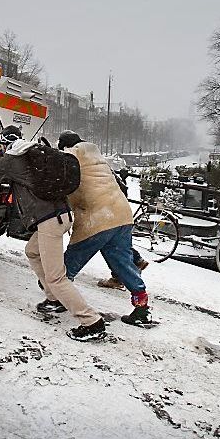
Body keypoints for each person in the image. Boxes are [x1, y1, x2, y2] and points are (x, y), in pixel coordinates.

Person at [0, 125, 107, 342]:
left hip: (50, 220)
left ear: (5, 143)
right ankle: (54, 299)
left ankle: (91, 322)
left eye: (1, 145)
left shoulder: (14, 158)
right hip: (60, 214)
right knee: (32, 251)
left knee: (56, 277)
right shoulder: (34, 152)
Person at [57, 131, 153, 327]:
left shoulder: (71, 156)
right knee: (123, 263)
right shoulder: (98, 158)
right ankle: (142, 308)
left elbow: (65, 186)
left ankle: (57, 298)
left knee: (71, 261)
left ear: (65, 146)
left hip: (97, 218)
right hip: (122, 215)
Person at [96, 152, 149, 290]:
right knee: (115, 242)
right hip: (119, 206)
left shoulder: (85, 164)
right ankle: (135, 261)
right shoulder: (99, 164)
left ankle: (123, 276)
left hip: (108, 209)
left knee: (106, 242)